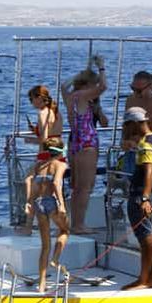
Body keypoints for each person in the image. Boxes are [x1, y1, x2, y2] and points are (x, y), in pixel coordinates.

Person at [122, 107, 152, 291]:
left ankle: (144, 279)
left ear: (134, 123)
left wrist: (144, 198)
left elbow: (148, 170)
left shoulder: (145, 144)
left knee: (146, 240)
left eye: (127, 125)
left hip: (141, 195)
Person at [62, 55, 107, 234]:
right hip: (87, 143)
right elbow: (103, 87)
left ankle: (75, 223)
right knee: (85, 187)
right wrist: (101, 67)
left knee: (77, 187)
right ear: (88, 85)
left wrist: (79, 75)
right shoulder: (82, 96)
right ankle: (79, 224)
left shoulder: (70, 97)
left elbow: (63, 85)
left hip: (74, 143)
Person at [23, 138, 69, 293]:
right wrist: (61, 205)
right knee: (64, 230)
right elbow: (56, 183)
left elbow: (28, 181)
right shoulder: (61, 165)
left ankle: (42, 284)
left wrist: (28, 202)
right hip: (52, 202)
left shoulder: (38, 166)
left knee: (45, 246)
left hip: (39, 203)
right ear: (61, 151)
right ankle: (55, 260)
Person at [25, 85, 63, 149]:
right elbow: (52, 131)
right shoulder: (56, 112)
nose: (31, 102)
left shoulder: (43, 113)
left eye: (31, 99)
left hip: (46, 153)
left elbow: (45, 140)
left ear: (39, 98)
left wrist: (29, 140)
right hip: (59, 151)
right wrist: (35, 130)